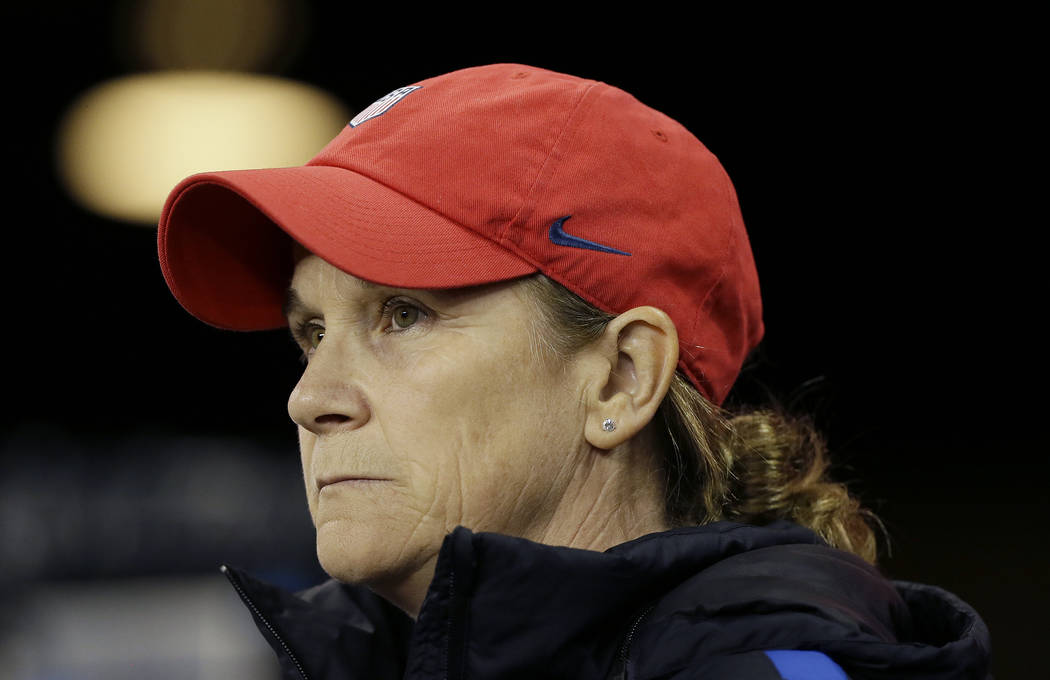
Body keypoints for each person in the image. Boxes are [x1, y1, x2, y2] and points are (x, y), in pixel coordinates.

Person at [157, 64, 992, 679]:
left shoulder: (770, 663)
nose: (311, 400)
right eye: (310, 331)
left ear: (623, 378)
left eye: (401, 314)